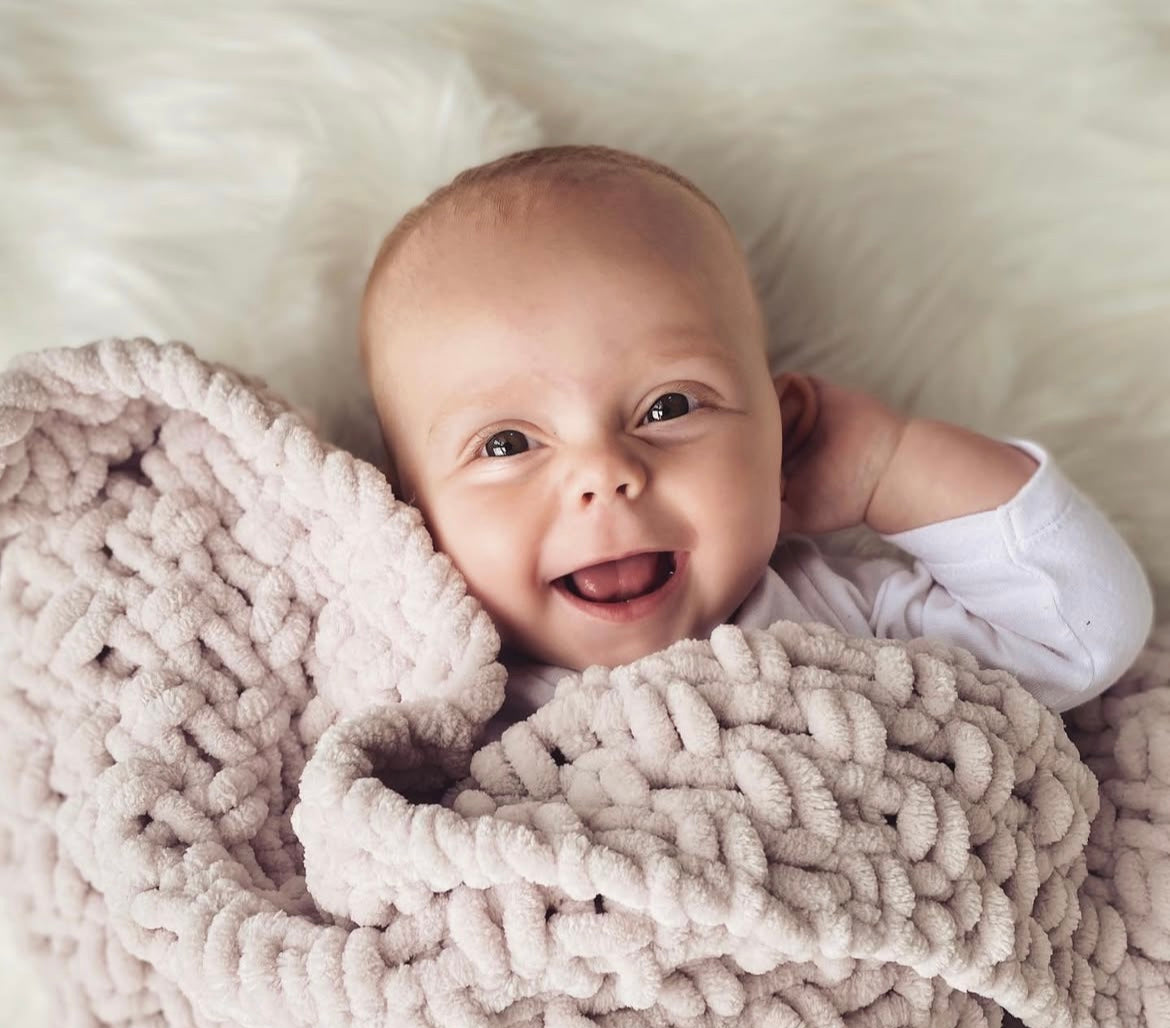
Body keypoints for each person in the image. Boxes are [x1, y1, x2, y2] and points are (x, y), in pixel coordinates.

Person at [359, 144, 1153, 735]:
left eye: (668, 406)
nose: (604, 471)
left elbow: (1078, 634)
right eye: (506, 444)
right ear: (409, 510)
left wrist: (888, 466)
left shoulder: (837, 617)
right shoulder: (435, 702)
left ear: (782, 431)